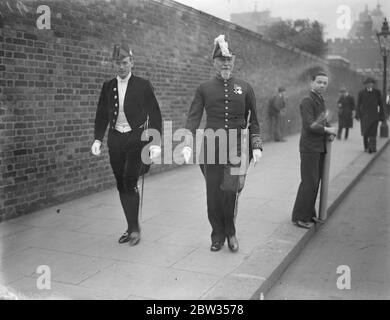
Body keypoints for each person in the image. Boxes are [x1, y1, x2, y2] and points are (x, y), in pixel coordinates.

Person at [182, 35, 263, 252]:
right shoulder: (204, 88)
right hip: (211, 146)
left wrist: (256, 145)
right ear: (214, 62)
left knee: (230, 190)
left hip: (236, 147)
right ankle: (217, 234)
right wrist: (188, 142)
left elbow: (254, 119)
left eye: (229, 59)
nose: (226, 63)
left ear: (233, 61)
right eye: (221, 59)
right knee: (213, 194)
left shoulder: (244, 87)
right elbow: (193, 116)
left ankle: (231, 232)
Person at [91, 43, 162, 245]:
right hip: (116, 138)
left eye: (124, 63)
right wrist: (97, 138)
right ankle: (130, 225)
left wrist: (155, 142)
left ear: (132, 62)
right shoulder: (108, 86)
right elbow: (101, 115)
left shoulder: (143, 84)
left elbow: (155, 115)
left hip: (136, 138)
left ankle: (135, 229)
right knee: (120, 183)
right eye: (117, 63)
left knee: (130, 180)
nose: (121, 67)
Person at [291, 71, 337, 229]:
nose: (322, 85)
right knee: (309, 182)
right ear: (311, 83)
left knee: (314, 182)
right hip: (310, 147)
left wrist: (330, 130)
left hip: (318, 147)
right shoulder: (307, 100)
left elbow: (323, 119)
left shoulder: (319, 99)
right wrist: (326, 130)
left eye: (325, 83)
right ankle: (300, 218)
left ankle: (307, 214)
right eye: (319, 82)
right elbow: (310, 124)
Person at [355, 77, 383, 153]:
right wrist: (357, 114)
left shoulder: (377, 92)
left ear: (373, 84)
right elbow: (358, 104)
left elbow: (381, 105)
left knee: (373, 133)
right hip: (365, 116)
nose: (369, 85)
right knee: (365, 133)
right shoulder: (361, 93)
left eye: (371, 83)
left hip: (374, 116)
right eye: (368, 84)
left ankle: (372, 147)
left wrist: (382, 116)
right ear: (365, 85)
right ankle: (366, 147)